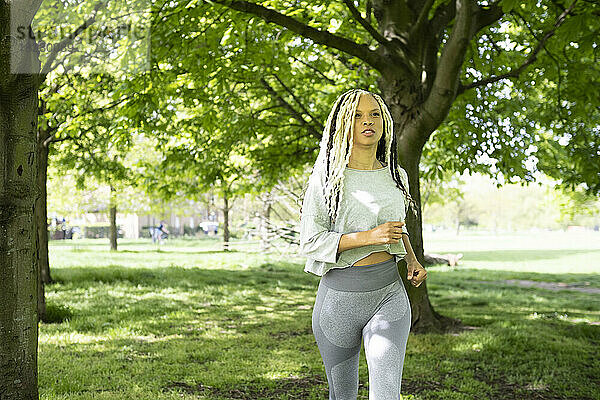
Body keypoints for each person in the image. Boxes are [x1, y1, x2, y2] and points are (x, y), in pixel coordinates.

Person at [298, 89, 427, 400]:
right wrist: (369, 237)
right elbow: (311, 241)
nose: (367, 121)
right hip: (338, 303)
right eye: (357, 116)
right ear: (344, 125)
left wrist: (411, 259)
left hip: (389, 295)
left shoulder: (397, 174)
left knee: (386, 394)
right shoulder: (327, 178)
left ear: (383, 122)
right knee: (342, 396)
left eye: (374, 115)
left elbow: (397, 225)